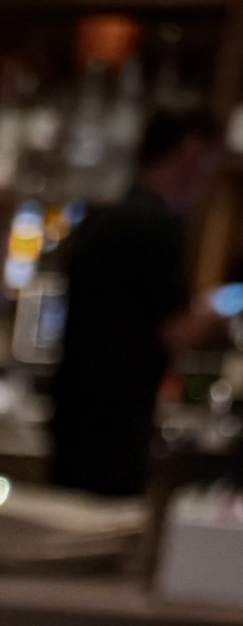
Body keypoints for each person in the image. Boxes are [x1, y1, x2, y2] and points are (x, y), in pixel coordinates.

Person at [50, 105, 227, 497]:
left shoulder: (106, 219)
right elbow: (174, 332)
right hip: (117, 425)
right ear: (189, 151)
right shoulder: (158, 226)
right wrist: (222, 307)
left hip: (72, 414)